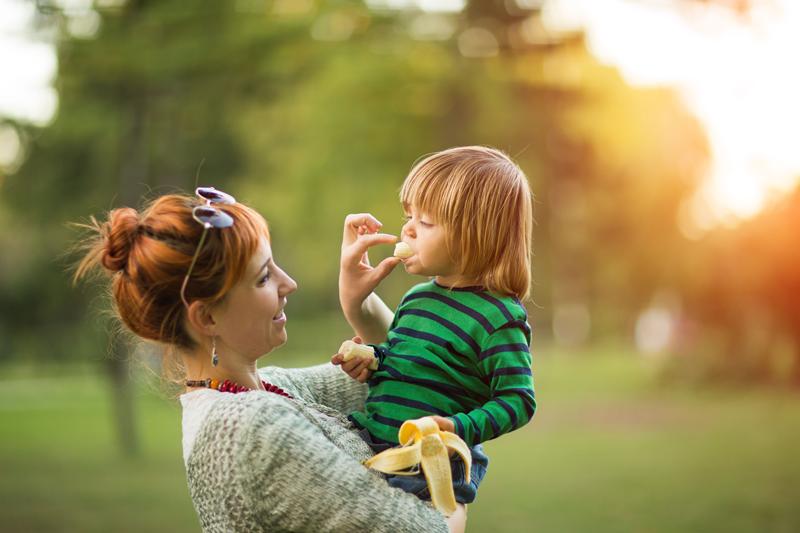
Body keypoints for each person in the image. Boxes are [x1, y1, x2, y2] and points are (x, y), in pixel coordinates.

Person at [74, 188, 466, 532]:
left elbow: (418, 374)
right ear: (207, 317)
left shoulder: (267, 390)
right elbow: (431, 529)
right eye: (263, 278)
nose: (288, 283)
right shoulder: (249, 429)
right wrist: (457, 481)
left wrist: (356, 301)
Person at [332, 146, 536, 505]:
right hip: (375, 438)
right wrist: (373, 359)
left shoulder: (499, 318)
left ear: (475, 235)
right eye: (409, 216)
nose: (407, 229)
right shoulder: (416, 299)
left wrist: (457, 427)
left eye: (425, 223)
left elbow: (518, 400)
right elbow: (406, 361)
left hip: (428, 466)